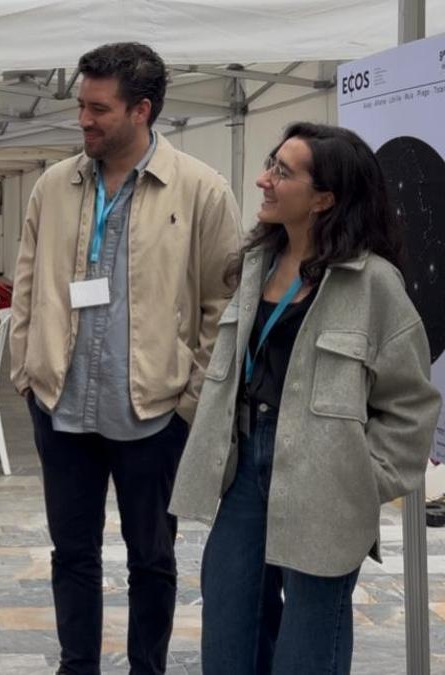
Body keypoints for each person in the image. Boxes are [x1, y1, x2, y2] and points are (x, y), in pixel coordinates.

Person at [170, 123, 442, 673]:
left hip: (328, 480)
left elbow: (411, 404)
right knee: (227, 633)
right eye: (271, 163)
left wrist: (363, 478)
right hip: (246, 470)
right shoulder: (255, 266)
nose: (262, 179)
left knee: (308, 647)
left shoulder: (373, 284)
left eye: (281, 172)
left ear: (324, 199)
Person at [8, 42, 241, 675]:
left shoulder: (200, 190)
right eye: (81, 105)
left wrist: (190, 401)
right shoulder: (54, 187)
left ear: (142, 111)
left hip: (154, 414)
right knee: (71, 554)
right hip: (62, 408)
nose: (83, 119)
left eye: (98, 109)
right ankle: (76, 666)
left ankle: (148, 668)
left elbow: (225, 305)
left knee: (153, 560)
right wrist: (26, 374)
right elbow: (26, 287)